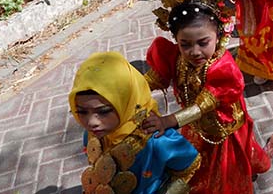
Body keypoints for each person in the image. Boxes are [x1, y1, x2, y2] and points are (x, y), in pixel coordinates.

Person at [142, 0, 272, 193]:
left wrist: (167, 121)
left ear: (218, 36)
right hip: (194, 127)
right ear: (176, 40)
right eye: (185, 44)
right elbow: (148, 81)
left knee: (223, 176)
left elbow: (202, 106)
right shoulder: (174, 56)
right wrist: (124, 90)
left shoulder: (223, 68)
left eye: (203, 43)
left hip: (221, 130)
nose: (194, 52)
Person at [69, 51, 200, 194]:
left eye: (104, 111)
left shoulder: (154, 138)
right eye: (81, 112)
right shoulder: (92, 135)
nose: (91, 122)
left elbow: (190, 166)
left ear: (126, 102)